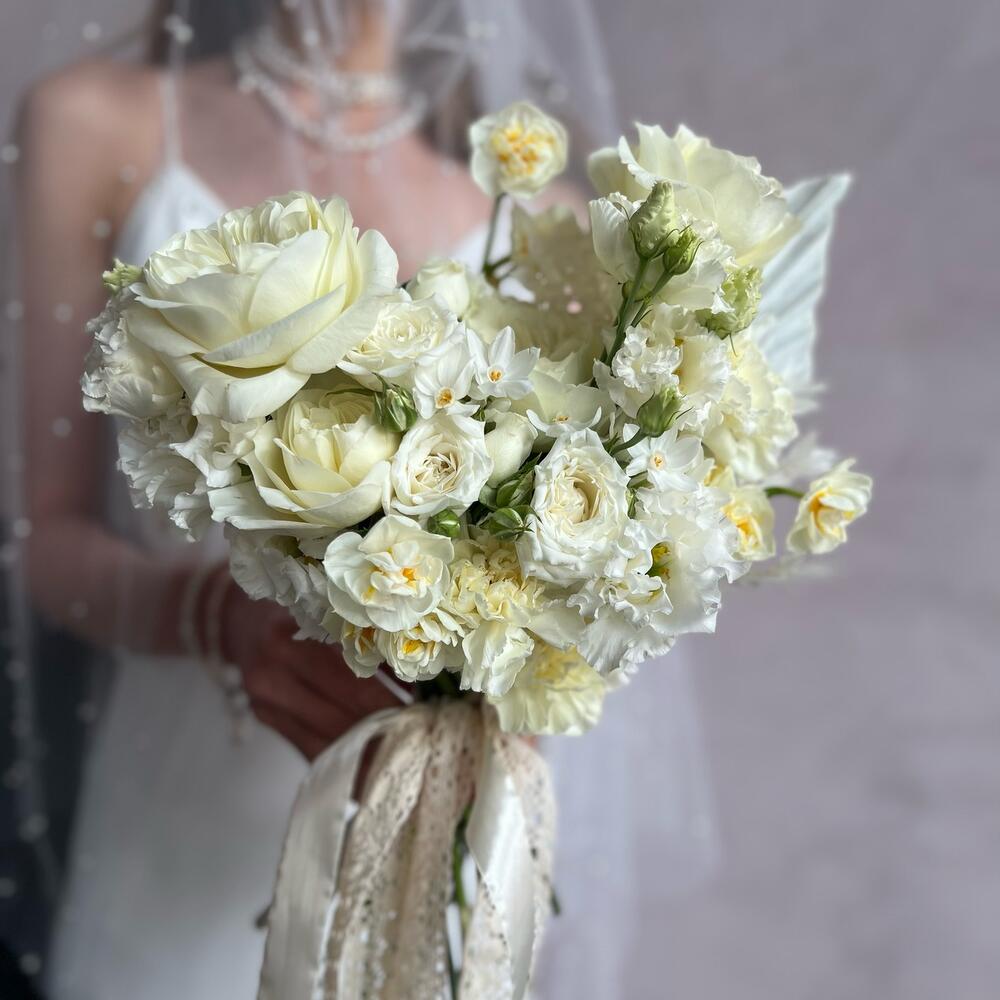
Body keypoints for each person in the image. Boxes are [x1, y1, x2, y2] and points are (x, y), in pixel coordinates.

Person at [3, 2, 715, 997]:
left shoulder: (546, 211)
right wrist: (217, 617)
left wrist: (503, 670)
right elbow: (42, 533)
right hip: (181, 786)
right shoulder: (94, 122)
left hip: (432, 810)